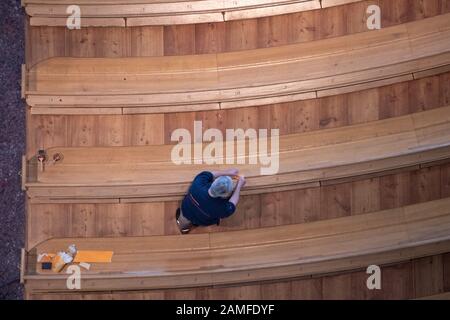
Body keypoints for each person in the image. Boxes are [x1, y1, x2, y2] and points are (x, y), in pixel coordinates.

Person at [176, 168, 246, 234]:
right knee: (205, 219)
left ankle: (184, 227)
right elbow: (233, 203)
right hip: (203, 221)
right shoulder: (221, 209)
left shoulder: (198, 183)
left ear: (214, 181)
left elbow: (211, 174)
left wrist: (228, 172)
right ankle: (194, 224)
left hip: (185, 209)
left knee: (183, 220)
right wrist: (239, 186)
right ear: (225, 195)